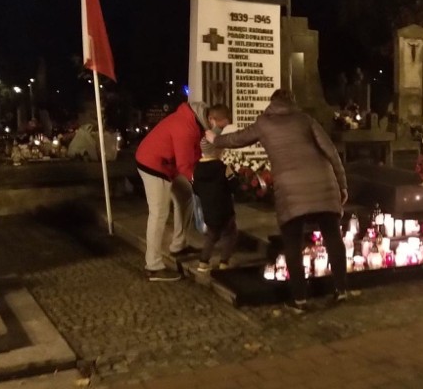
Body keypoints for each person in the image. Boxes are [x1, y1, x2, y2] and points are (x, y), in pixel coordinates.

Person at [206, 89, 350, 310]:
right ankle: (341, 290)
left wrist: (216, 139)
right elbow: (330, 152)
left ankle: (300, 299)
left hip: (290, 189)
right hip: (323, 182)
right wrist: (342, 184)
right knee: (332, 236)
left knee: (292, 242)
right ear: (292, 102)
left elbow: (238, 139)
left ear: (272, 103)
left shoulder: (264, 123)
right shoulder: (305, 119)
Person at [135, 102, 231, 281]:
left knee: (185, 195)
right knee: (158, 213)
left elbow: (194, 156)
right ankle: (153, 266)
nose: (220, 131)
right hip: (153, 164)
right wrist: (202, 184)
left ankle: (178, 245)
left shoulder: (197, 123)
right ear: (211, 120)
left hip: (167, 164)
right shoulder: (186, 127)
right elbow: (184, 165)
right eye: (220, 127)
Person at [193, 133, 241, 272]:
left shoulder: (197, 169)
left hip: (208, 210)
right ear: (218, 151)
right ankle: (224, 263)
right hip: (225, 209)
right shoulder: (223, 168)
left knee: (211, 236)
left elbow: (196, 189)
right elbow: (234, 186)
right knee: (230, 234)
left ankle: (203, 262)